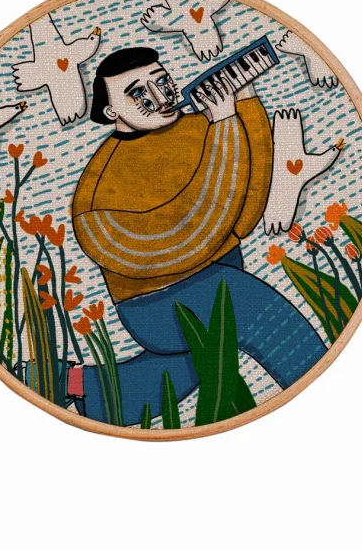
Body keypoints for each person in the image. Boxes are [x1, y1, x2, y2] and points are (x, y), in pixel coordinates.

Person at [69, 47, 326, 424]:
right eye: (138, 93)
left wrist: (246, 104)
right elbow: (185, 238)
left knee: (174, 374)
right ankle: (327, 401)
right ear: (111, 112)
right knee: (265, 317)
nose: (159, 97)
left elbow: (245, 208)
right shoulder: (97, 190)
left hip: (221, 272)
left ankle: (71, 383)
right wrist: (224, 123)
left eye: (163, 82)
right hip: (155, 302)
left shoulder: (198, 126)